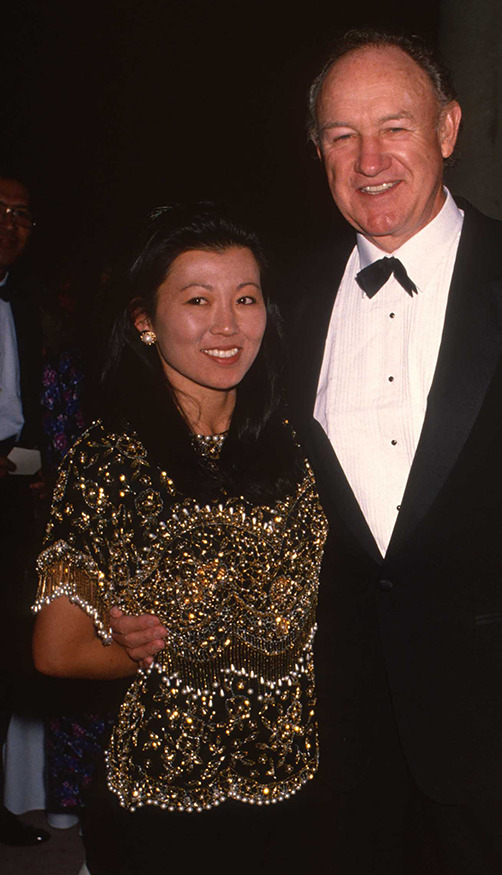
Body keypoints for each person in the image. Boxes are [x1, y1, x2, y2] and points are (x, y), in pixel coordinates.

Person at [112, 30, 502, 874]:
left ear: (448, 129)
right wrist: (128, 585)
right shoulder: (284, 293)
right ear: (317, 151)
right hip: (333, 719)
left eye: (394, 127)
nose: (369, 159)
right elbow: (215, 449)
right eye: (340, 136)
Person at [32, 203, 327, 874]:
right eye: (198, 300)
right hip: (164, 795)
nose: (227, 325)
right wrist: (131, 648)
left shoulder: (298, 444)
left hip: (298, 782)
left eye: (245, 298)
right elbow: (55, 648)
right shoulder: (108, 458)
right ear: (144, 319)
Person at [0, 171, 50, 846]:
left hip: (13, 491)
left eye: (21, 214)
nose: (11, 225)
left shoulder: (27, 303)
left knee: (11, 647)